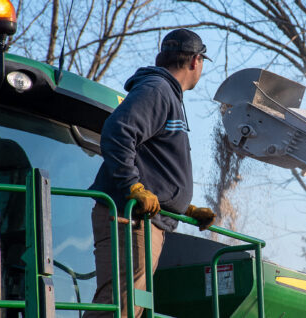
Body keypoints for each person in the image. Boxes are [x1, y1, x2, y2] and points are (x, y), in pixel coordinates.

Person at [84, 29, 216, 318]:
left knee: (128, 306)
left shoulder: (165, 94)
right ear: (196, 61)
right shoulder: (158, 89)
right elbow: (118, 132)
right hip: (129, 218)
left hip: (144, 219)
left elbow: (153, 161)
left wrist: (181, 206)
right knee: (118, 308)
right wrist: (133, 187)